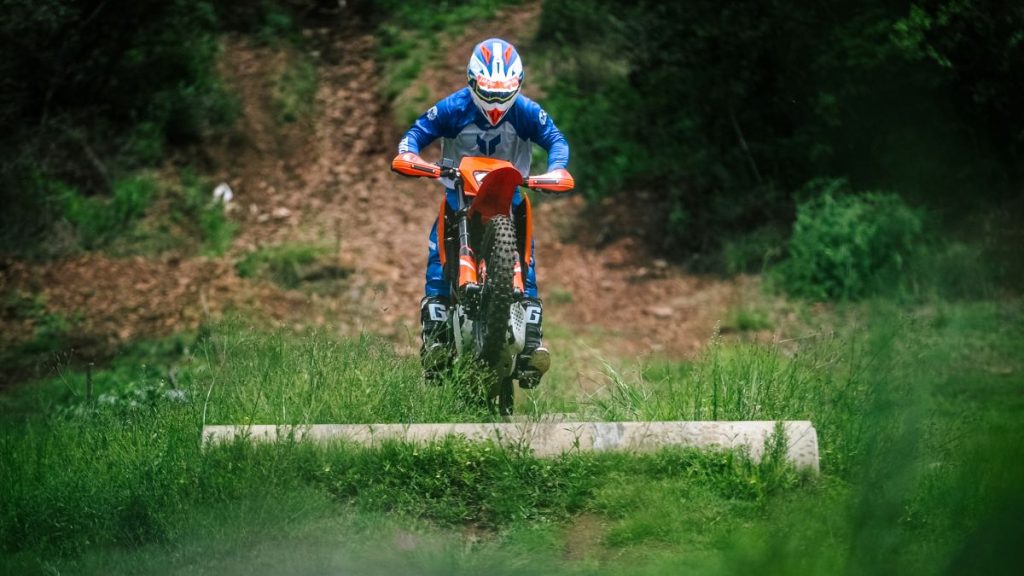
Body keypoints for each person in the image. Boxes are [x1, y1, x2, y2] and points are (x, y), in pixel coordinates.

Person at [394, 37, 571, 388]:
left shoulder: (526, 111)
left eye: (503, 93)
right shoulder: (452, 107)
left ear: (517, 86)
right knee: (437, 259)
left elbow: (556, 140)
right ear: (472, 83)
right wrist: (411, 155)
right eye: (487, 93)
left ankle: (532, 345)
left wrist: (557, 170)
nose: (494, 103)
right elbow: (415, 133)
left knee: (528, 260)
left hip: (510, 197)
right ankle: (436, 341)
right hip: (460, 195)